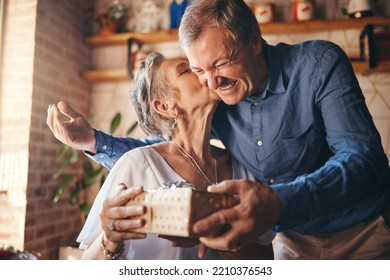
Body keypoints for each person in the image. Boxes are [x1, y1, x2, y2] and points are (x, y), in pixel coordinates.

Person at [47, 0, 390, 259]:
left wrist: (277, 204)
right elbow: (168, 153)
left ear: (255, 40)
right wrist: (93, 141)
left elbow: (363, 159)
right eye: (197, 70)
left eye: (220, 63)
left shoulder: (317, 64)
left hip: (359, 232)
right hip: (291, 244)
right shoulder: (222, 99)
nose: (212, 82)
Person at [47, 52, 275, 260]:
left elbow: (265, 259)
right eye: (187, 70)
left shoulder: (243, 166)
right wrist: (110, 240)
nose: (201, 70)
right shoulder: (135, 165)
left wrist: (222, 237)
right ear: (165, 106)